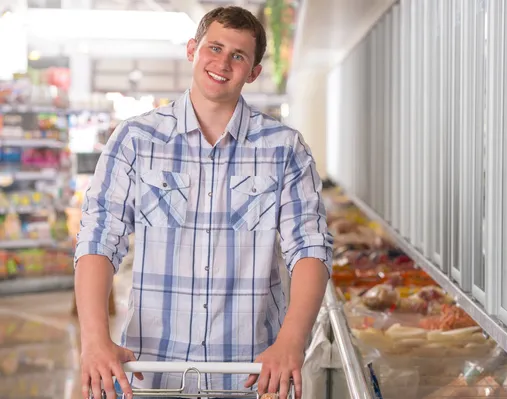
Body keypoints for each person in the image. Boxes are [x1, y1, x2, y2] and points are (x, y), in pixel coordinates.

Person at [74, 6, 333, 399]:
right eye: (214, 47)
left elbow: (310, 248)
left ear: (254, 72)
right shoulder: (136, 140)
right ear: (193, 49)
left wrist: (292, 342)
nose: (222, 63)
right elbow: (99, 239)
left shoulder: (284, 149)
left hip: (252, 372)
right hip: (152, 372)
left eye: (238, 55)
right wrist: (94, 339)